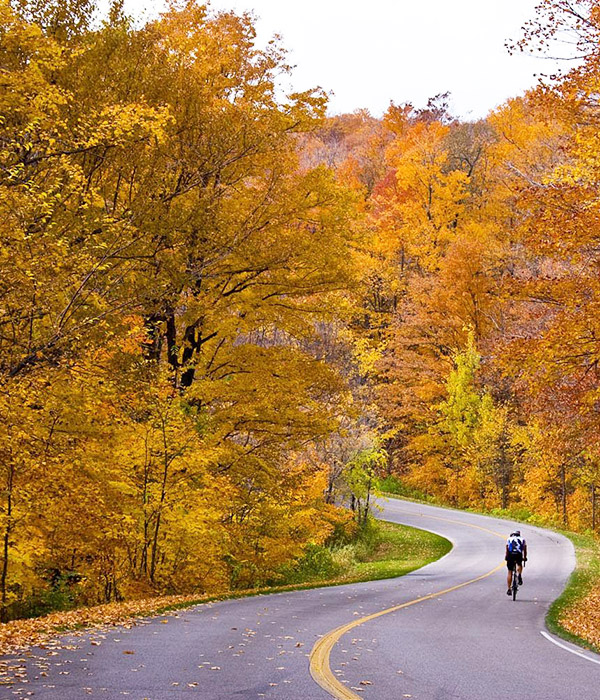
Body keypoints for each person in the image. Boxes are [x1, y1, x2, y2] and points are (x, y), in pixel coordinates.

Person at [505, 529, 527, 595]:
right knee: (519, 564)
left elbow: (507, 549)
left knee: (510, 572)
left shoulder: (509, 539)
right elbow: (524, 550)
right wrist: (525, 557)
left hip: (510, 555)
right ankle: (519, 575)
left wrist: (506, 557)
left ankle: (509, 589)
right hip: (518, 555)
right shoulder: (522, 539)